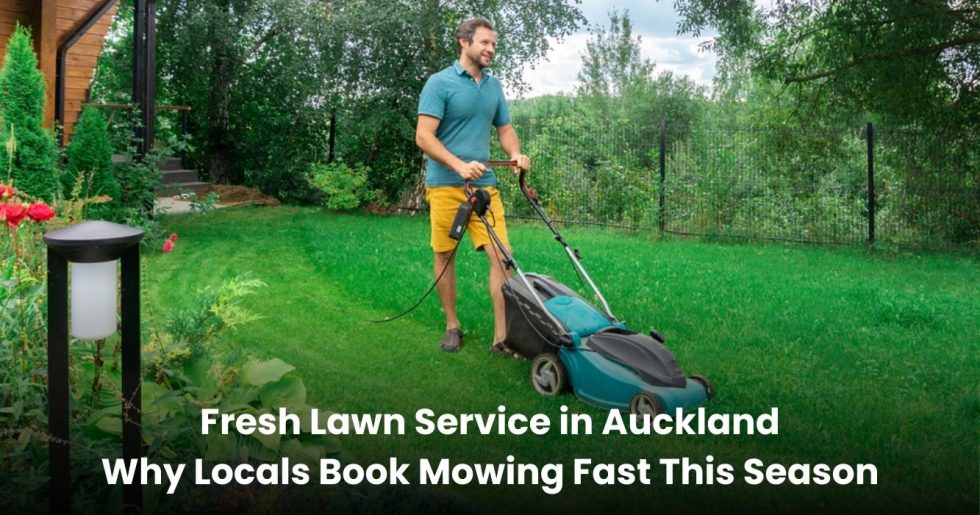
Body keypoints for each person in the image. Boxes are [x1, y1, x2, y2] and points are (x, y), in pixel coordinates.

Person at [415, 17, 531, 357]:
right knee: (444, 255)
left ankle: (501, 338)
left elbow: (505, 129)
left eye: (494, 44)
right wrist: (459, 165)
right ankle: (452, 326)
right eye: (485, 43)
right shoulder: (440, 84)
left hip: (484, 189)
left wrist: (515, 153)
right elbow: (423, 136)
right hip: (446, 186)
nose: (491, 49)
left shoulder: (494, 87)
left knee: (502, 257)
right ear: (464, 43)